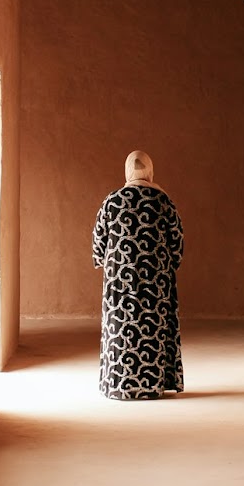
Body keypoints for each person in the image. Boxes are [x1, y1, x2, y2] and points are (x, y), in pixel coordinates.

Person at [91, 150, 184, 400]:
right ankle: (152, 385)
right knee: (154, 327)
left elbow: (98, 242)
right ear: (150, 170)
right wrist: (169, 264)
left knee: (119, 326)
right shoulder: (163, 200)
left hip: (118, 281)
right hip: (156, 281)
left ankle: (119, 384)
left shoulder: (112, 200)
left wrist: (105, 261)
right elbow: (177, 241)